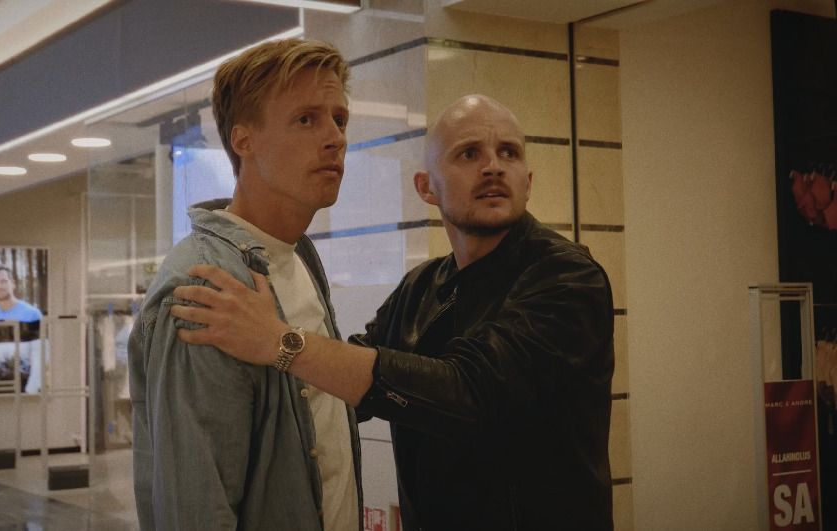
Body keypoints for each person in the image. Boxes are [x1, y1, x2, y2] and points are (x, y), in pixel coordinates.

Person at [171, 94, 615, 530]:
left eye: (509, 153)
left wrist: (279, 342)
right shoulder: (421, 287)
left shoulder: (568, 277)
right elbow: (344, 390)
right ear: (426, 187)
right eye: (469, 153)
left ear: (528, 181)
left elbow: (469, 391)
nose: (493, 166)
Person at [128, 38, 362, 531]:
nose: (335, 138)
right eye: (306, 119)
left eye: (339, 119)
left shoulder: (298, 256)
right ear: (243, 140)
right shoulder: (205, 287)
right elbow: (195, 509)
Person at [0, 265, 45, 394]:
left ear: (13, 284)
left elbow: (39, 354)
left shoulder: (32, 314)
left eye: (4, 281)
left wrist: (32, 387)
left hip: (25, 387)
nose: (0, 286)